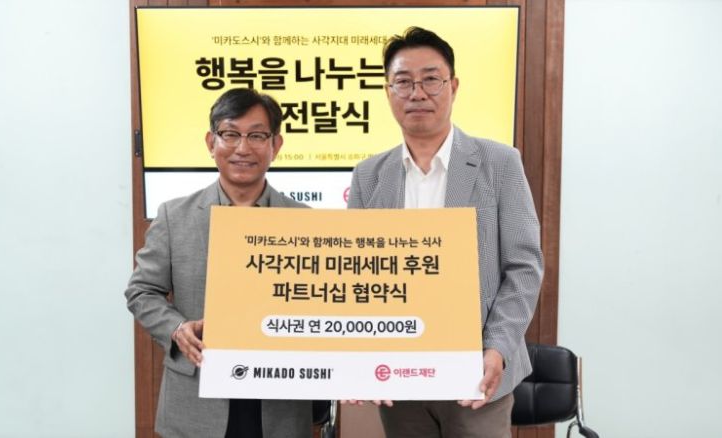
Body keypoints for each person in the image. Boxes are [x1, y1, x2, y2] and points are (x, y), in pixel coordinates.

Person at [347, 27, 544, 437]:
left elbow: (524, 266)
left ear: (452, 86)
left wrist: (497, 348)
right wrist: (362, 356)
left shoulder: (500, 163)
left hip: (477, 375)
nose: (417, 93)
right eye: (403, 82)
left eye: (431, 80)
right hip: (398, 376)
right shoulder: (369, 175)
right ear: (388, 91)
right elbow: (357, 273)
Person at [125, 88, 311, 438]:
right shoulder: (174, 216)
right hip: (196, 401)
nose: (243, 148)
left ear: (276, 145)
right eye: (230, 134)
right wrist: (177, 328)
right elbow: (141, 292)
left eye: (257, 136)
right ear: (212, 143)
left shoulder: (305, 222)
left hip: (279, 405)